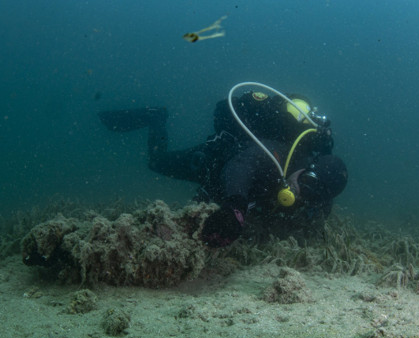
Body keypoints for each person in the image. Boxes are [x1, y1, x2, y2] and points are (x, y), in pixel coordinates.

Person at [98, 83, 348, 247]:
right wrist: (235, 208)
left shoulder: (320, 188)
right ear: (308, 168)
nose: (301, 192)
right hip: (214, 162)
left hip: (236, 180)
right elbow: (242, 165)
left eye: (313, 194)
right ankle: (156, 117)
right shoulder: (280, 153)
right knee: (156, 162)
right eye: (305, 183)